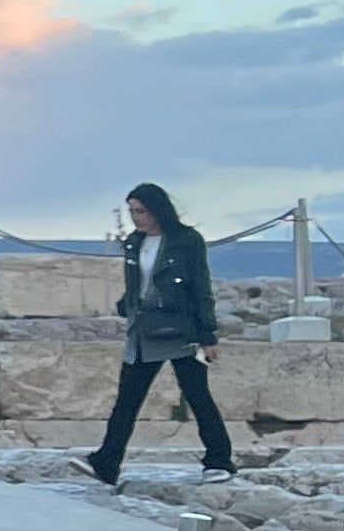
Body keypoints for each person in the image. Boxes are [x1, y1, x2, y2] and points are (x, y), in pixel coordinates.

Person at [89, 183, 236, 483]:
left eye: (141, 211)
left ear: (157, 209)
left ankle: (219, 460)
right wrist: (126, 305)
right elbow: (136, 283)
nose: (136, 218)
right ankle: (106, 462)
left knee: (197, 396)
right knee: (127, 400)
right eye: (131, 212)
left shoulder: (186, 241)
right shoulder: (133, 243)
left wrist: (208, 336)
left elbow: (201, 289)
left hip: (180, 332)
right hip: (143, 333)